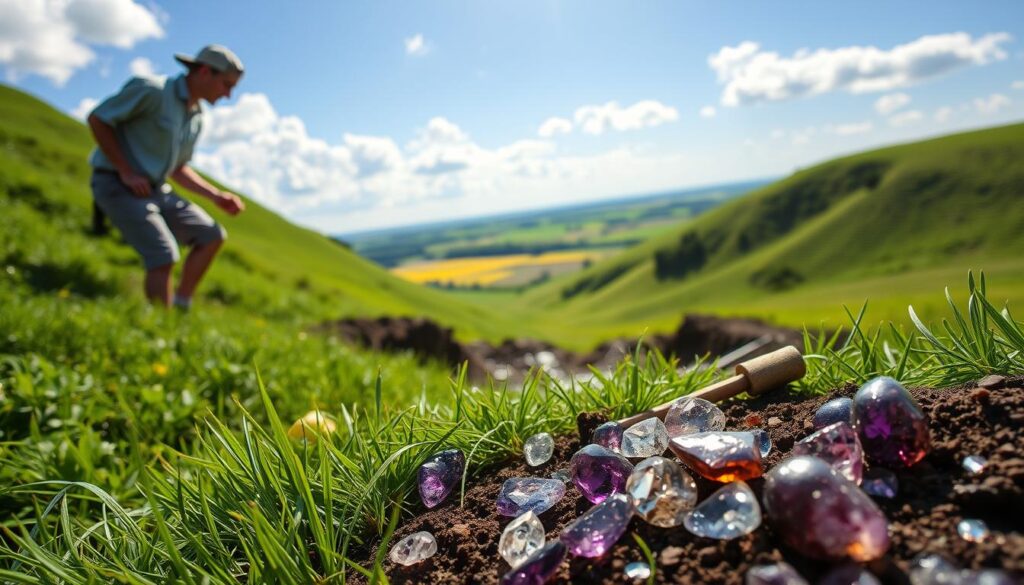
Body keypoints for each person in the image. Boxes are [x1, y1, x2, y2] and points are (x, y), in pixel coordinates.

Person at [86, 44, 247, 310]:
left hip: (155, 189)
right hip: (115, 183)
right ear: (205, 72)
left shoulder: (195, 117)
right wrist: (125, 171)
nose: (228, 94)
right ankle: (162, 325)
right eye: (226, 84)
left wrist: (216, 196)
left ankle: (181, 306)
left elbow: (178, 168)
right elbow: (98, 119)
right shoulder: (152, 90)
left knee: (212, 235)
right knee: (164, 255)